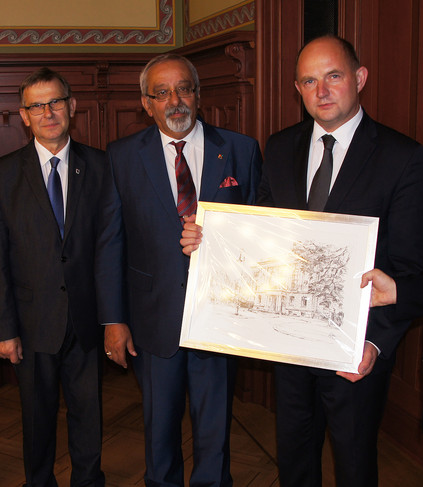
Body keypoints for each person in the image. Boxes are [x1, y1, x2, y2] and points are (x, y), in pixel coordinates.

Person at [255, 36, 423, 487]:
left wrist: (373, 346)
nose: (322, 90)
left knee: (354, 463)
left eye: (333, 76)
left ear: (359, 78)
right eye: (309, 80)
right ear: (297, 89)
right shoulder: (278, 148)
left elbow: (409, 270)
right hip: (289, 343)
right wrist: (212, 238)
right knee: (294, 459)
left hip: (356, 352)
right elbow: (264, 239)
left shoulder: (401, 156)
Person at [97, 53, 262, 486]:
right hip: (154, 318)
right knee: (159, 429)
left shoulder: (241, 151)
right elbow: (111, 242)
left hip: (220, 318)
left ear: (199, 94)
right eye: (162, 92)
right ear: (145, 103)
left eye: (184, 88)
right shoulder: (121, 157)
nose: (176, 100)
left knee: (214, 431)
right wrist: (114, 320)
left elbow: (263, 235)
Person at [0, 68, 106, 487]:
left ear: (72, 106)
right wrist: (3, 328)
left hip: (87, 319)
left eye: (55, 102)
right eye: (37, 105)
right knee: (37, 416)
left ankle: (88, 480)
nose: (48, 112)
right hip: (30, 324)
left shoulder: (101, 166)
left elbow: (111, 244)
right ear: (24, 115)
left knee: (89, 413)